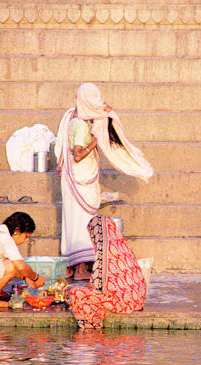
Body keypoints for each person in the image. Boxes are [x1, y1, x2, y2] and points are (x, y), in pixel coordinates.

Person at [55, 83, 153, 280]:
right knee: (82, 221)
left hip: (75, 178)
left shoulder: (72, 115)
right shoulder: (81, 125)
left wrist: (105, 111)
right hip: (80, 178)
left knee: (75, 220)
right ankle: (81, 269)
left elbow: (100, 112)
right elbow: (78, 155)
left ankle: (75, 267)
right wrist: (96, 142)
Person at [66, 215, 146, 329]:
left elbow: (97, 285)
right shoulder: (122, 245)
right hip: (138, 300)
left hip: (124, 302)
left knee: (76, 293)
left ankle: (91, 327)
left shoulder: (105, 249)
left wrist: (76, 290)